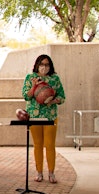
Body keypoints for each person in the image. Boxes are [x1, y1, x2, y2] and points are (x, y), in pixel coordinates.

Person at [22, 54, 66, 183]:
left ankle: (51, 173)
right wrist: (34, 87)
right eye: (41, 64)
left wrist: (53, 101)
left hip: (50, 116)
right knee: (38, 145)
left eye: (47, 65)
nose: (44, 67)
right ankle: (39, 172)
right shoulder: (30, 78)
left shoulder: (54, 79)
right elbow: (26, 96)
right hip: (34, 116)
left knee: (50, 144)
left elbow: (62, 97)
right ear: (37, 65)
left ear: (50, 66)